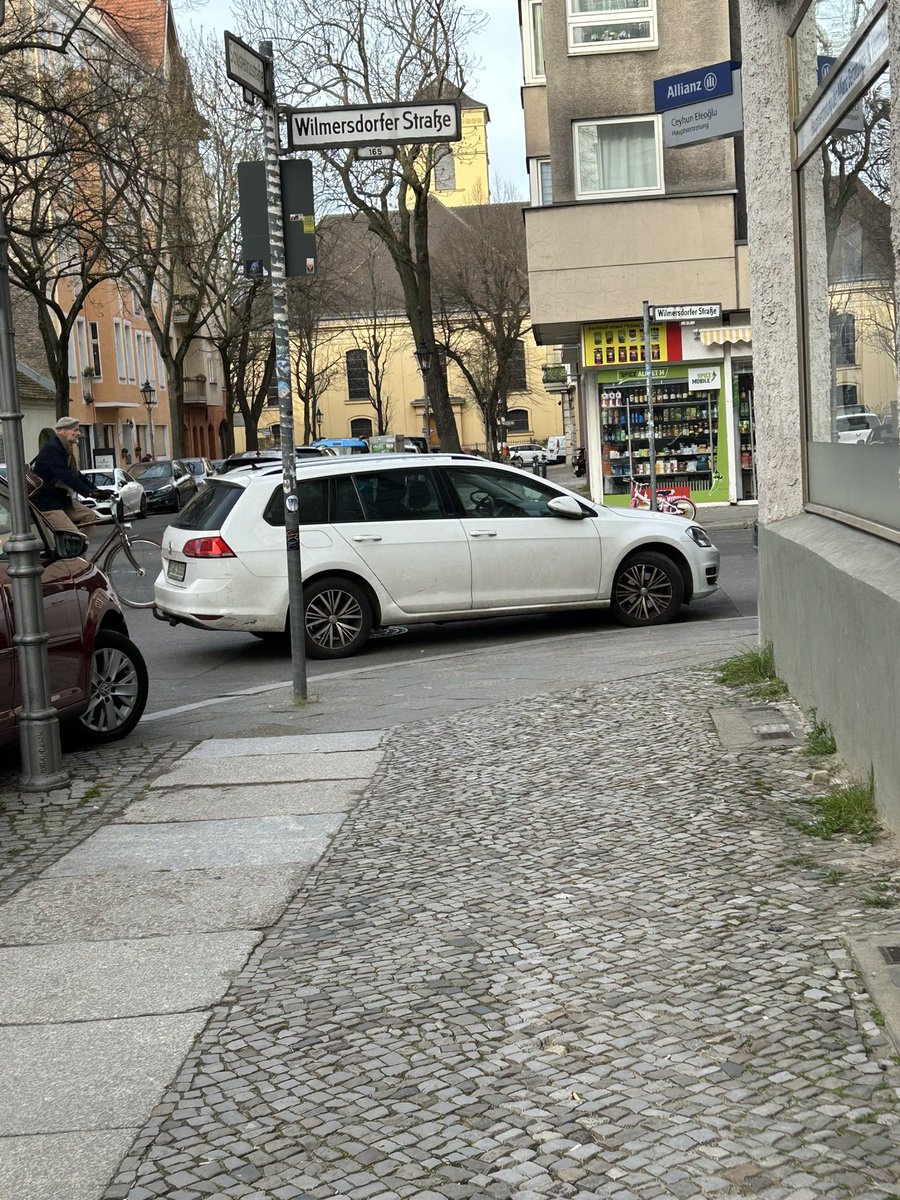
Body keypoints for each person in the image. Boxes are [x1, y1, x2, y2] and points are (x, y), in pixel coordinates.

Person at [32, 416, 103, 535]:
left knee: (89, 516)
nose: (78, 433)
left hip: (62, 500)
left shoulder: (65, 448)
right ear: (63, 430)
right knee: (75, 535)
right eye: (75, 430)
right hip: (47, 504)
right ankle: (73, 550)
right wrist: (88, 492)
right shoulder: (52, 448)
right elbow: (65, 475)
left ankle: (79, 551)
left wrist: (96, 490)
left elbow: (76, 475)